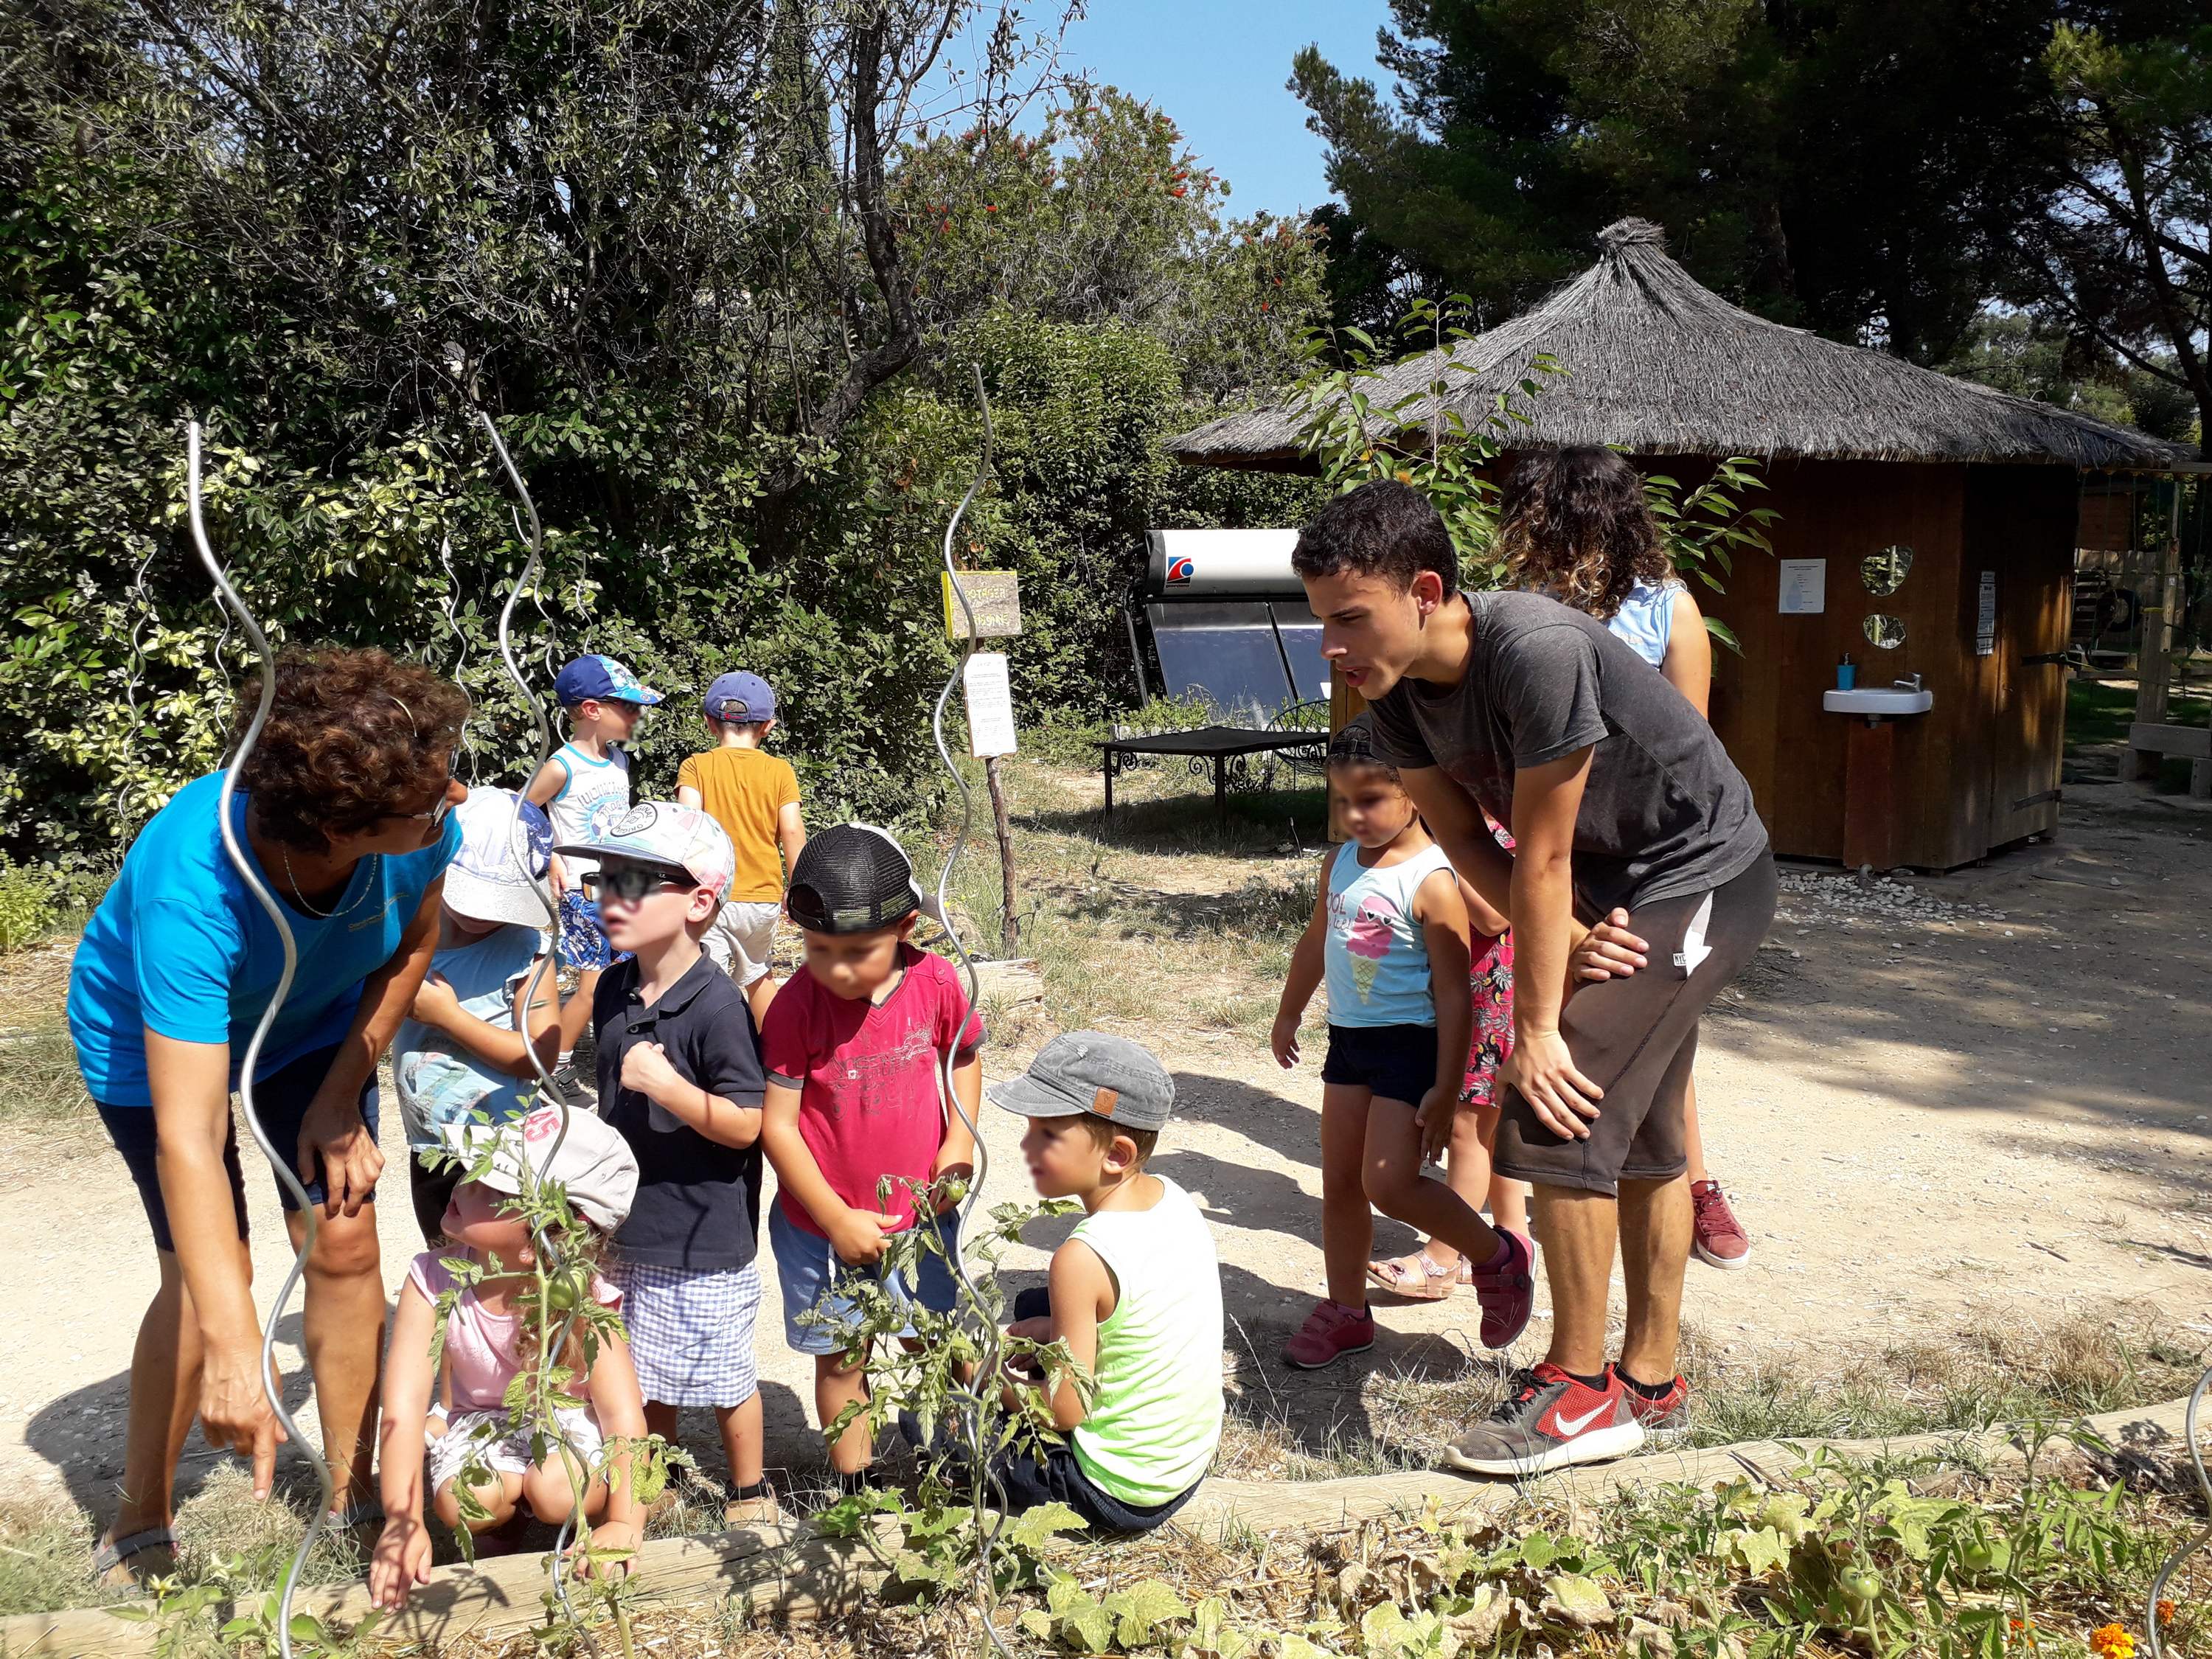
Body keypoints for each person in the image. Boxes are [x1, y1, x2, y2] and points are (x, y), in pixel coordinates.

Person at [1295, 474, 1775, 1476]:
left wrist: (1539, 1024)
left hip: (1704, 868)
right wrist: (1581, 928)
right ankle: (1649, 1381)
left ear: (1424, 590)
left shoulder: (1536, 651)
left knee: (1556, 1102)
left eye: (1350, 618)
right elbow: (1473, 841)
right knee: (1642, 1127)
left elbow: (1544, 855)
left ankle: (1578, 1386)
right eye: (1321, 622)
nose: (1331, 645)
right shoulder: (1394, 712)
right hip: (1612, 885)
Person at [67, 649, 468, 1583]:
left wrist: (340, 1093)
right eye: (430, 795)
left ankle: (354, 1490)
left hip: (317, 1030)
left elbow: (413, 946)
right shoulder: (193, 885)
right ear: (339, 824)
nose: (455, 795)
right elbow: (189, 1137)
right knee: (208, 1284)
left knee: (344, 1236)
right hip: (149, 1046)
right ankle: (139, 1518)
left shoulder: (423, 831)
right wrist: (238, 1344)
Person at [1501, 445, 1750, 1271]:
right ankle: (1537, 1194)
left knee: (1653, 1016)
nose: (1525, 534)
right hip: (1553, 845)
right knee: (1558, 1004)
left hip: (1653, 859)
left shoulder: (1666, 608)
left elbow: (1692, 749)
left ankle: (1692, 1180)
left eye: (1540, 517)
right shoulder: (1524, 609)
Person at [1269, 721, 1534, 1368]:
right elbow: (1315, 944)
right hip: (1350, 1043)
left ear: (1414, 794)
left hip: (1411, 1046)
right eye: (1342, 801)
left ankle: (1498, 1258)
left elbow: (1455, 994)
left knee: (1390, 1185)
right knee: (1340, 1183)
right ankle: (1347, 1311)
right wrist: (1288, 1012)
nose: (1354, 815)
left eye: (1370, 800)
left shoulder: (1434, 879)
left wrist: (1447, 1088)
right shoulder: (1340, 863)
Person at [563, 803, 778, 1526]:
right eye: (603, 878)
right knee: (643, 1365)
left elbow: (749, 1124)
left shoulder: (718, 1005)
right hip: (634, 1222)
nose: (608, 897)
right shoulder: (615, 989)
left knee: (721, 1374)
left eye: (633, 881)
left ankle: (749, 1491)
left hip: (704, 1232)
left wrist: (671, 1090)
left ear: (700, 902)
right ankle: (658, 1480)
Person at [758, 824, 982, 1490]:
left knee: (935, 1338)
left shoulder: (937, 982)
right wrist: (834, 1219)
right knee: (843, 1359)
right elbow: (780, 1129)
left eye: (858, 952)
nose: (836, 968)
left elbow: (963, 1056)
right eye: (818, 948)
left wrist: (960, 1139)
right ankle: (854, 1487)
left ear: (908, 928)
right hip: (822, 1230)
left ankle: (959, 1459)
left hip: (921, 1217)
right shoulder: (794, 1008)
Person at [368, 1103, 649, 1610]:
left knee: (559, 1491)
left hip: (563, 1419)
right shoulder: (432, 1279)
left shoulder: (581, 1297)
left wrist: (625, 1522)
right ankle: (502, 1528)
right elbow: (404, 1410)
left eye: (491, 1187)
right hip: (480, 1420)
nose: (462, 1184)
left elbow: (623, 1417)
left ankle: (551, 1514)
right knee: (466, 1501)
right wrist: (402, 1520)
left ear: (540, 1242)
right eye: (473, 1170)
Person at [985, 1032, 1222, 1532]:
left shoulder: (1080, 1258)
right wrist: (1051, 1327)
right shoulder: (1173, 1198)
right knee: (1038, 1304)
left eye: (1046, 1134)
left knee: (937, 1428)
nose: (1025, 1145)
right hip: (1182, 1463)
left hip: (1116, 1492)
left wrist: (985, 1377)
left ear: (1115, 1154)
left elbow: (1064, 1411)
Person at [1366, 811, 1531, 1299]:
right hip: (1456, 987)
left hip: (1489, 990)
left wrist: (1439, 846)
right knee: (1487, 1129)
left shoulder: (1487, 824)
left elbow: (1494, 914)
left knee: (1467, 1126)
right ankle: (1514, 1240)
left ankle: (1442, 1256)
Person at [391, 788, 563, 1245]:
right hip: (430, 1148)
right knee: (445, 1259)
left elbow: (538, 1057)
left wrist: (447, 1017)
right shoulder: (402, 941)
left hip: (506, 1146)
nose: (484, 917)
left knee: (512, 1269)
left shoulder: (525, 950)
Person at [525, 655, 661, 1065]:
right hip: (583, 891)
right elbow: (525, 811)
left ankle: (618, 1050)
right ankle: (556, 1065)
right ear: (592, 709)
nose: (638, 716)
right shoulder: (563, 766)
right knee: (594, 983)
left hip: (622, 884)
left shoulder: (619, 760)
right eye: (629, 707)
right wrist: (550, 859)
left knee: (628, 973)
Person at [675, 670, 805, 1028]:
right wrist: (798, 888)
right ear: (768, 726)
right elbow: (792, 830)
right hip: (761, 898)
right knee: (758, 975)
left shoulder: (696, 767)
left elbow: (687, 824)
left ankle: (710, 1062)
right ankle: (777, 1054)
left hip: (711, 896)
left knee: (703, 984)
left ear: (709, 723)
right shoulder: (780, 771)